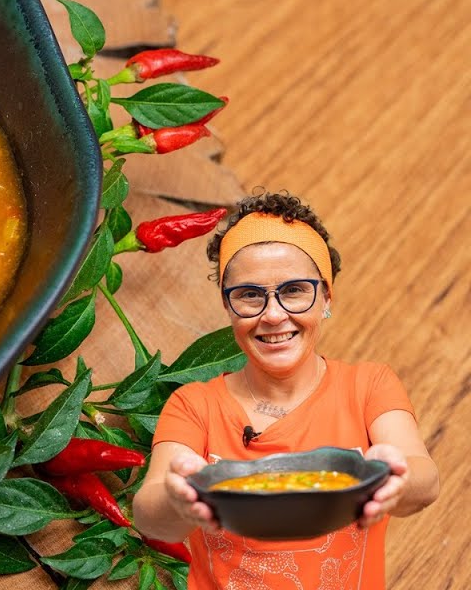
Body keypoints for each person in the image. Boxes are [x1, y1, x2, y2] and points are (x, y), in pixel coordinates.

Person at [132, 191, 439, 589]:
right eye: (249, 295)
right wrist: (177, 500)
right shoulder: (194, 405)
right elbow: (149, 515)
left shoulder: (369, 386)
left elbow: (425, 480)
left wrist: (395, 478)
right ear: (227, 306)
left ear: (326, 296)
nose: (274, 315)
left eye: (294, 290)